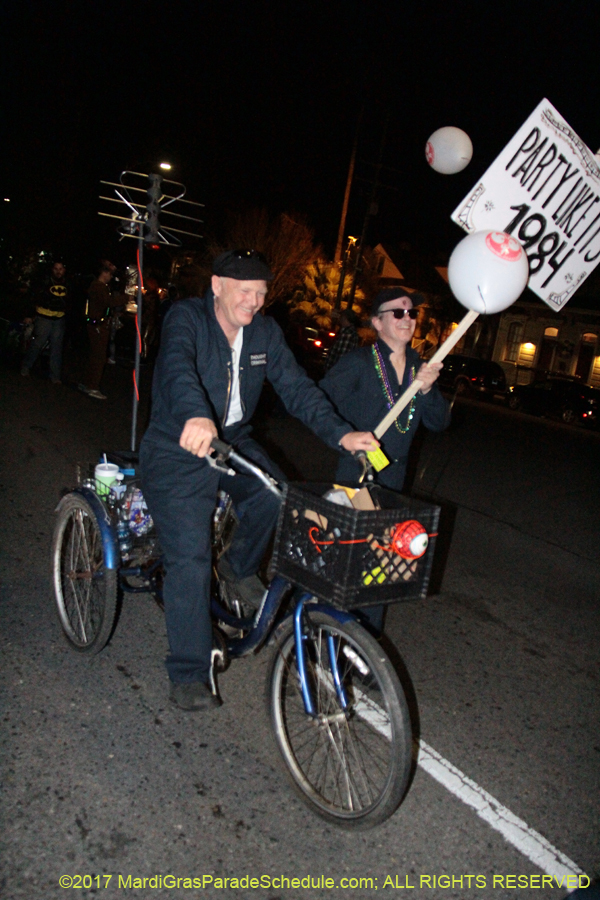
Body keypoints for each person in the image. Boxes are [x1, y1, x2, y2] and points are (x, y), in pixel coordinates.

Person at [139, 249, 378, 712]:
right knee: (190, 556)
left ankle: (239, 566)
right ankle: (189, 672)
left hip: (231, 440)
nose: (252, 302)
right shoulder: (187, 319)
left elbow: (297, 388)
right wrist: (194, 415)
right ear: (217, 286)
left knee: (277, 496)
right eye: (244, 292)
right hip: (178, 445)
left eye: (261, 294)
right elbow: (177, 368)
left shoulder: (264, 333)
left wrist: (341, 434)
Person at [320, 287, 449, 492]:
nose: (407, 319)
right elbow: (318, 406)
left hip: (396, 480)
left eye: (412, 313)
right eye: (398, 313)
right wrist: (343, 436)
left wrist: (428, 389)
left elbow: (439, 423)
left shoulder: (420, 369)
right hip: (356, 475)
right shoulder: (358, 362)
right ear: (377, 322)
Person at [21, 260, 69, 383]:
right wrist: (29, 314)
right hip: (44, 316)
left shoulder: (68, 283)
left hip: (59, 318)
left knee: (56, 348)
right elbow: (32, 297)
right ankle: (26, 366)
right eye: (56, 268)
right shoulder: (43, 282)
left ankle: (55, 376)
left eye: (61, 268)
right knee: (38, 343)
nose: (58, 271)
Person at [79, 263, 122, 400]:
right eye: (109, 274)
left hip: (97, 324)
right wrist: (126, 298)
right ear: (104, 273)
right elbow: (108, 302)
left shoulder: (98, 286)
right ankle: (93, 386)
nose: (110, 277)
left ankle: (87, 382)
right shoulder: (99, 287)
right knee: (99, 357)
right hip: (97, 325)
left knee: (95, 355)